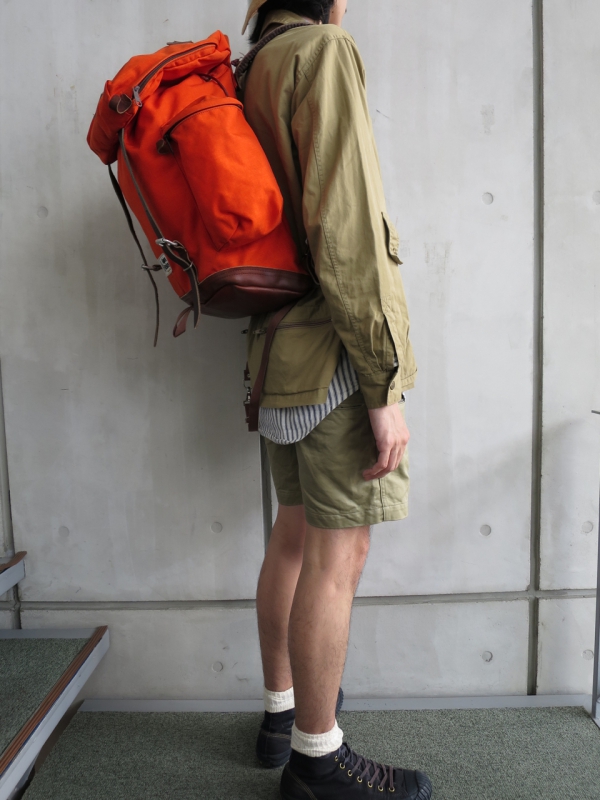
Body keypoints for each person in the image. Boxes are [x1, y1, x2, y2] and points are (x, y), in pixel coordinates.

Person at [239, 2, 432, 797]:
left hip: (275, 351)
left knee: (291, 537)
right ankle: (317, 762)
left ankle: (281, 715)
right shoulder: (322, 50)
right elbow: (347, 231)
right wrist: (382, 385)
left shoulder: (257, 60)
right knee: (337, 555)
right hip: (335, 358)